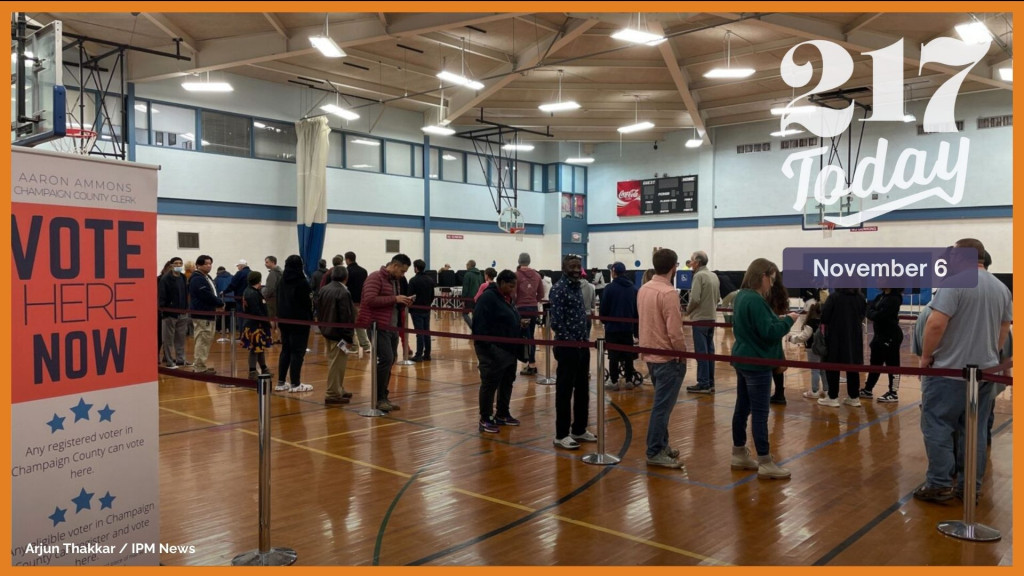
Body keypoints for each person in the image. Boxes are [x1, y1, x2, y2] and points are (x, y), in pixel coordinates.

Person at [915, 238, 1011, 504]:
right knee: (975, 431)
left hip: (949, 372)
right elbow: (1004, 328)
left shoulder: (954, 283)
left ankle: (939, 484)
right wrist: (991, 353)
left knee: (937, 425)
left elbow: (935, 324)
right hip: (984, 373)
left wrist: (925, 357)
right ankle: (970, 487)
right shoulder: (1001, 288)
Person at [730, 258, 797, 479]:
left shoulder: (742, 296)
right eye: (772, 278)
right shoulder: (756, 300)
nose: (773, 283)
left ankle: (739, 452)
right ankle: (765, 461)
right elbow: (768, 332)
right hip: (757, 362)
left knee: (742, 407)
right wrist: (788, 321)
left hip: (743, 359)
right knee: (759, 413)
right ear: (763, 276)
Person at [637, 249, 687, 469]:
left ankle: (662, 444)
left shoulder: (644, 289)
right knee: (662, 407)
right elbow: (675, 331)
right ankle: (655, 450)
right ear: (674, 267)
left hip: (650, 355)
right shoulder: (669, 293)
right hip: (667, 358)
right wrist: (682, 354)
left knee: (662, 405)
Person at [549, 254, 594, 450]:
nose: (576, 269)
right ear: (564, 268)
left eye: (579, 266)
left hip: (582, 345)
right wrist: (571, 343)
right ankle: (561, 434)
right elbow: (557, 322)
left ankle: (579, 429)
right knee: (564, 391)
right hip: (567, 348)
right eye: (572, 266)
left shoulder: (578, 287)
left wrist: (583, 342)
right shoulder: (558, 290)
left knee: (582, 389)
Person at [360, 254, 414, 412]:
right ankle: (379, 398)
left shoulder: (394, 281)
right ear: (395, 266)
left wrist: (403, 302)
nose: (403, 274)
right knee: (386, 359)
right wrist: (395, 299)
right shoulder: (375, 278)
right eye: (402, 271)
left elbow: (392, 301)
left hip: (391, 327)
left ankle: (384, 396)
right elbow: (369, 300)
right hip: (378, 326)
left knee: (390, 360)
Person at [473, 270, 525, 432]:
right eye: (510, 286)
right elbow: (479, 326)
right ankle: (485, 417)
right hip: (492, 349)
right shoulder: (488, 298)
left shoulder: (506, 298)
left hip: (509, 349)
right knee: (490, 384)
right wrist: (490, 348)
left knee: (507, 382)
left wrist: (518, 323)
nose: (513, 289)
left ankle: (502, 413)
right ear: (501, 283)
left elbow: (504, 318)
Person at [817, 288, 866, 408]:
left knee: (833, 365)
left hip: (836, 337)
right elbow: (863, 314)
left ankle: (833, 397)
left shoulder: (834, 297)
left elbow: (825, 316)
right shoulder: (860, 297)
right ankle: (854, 397)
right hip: (854, 337)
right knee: (853, 365)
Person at [274, 255, 314, 393]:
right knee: (297, 351)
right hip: (299, 321)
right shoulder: (302, 282)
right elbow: (308, 303)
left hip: (284, 320)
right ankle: (295, 383)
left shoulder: (281, 281)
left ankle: (281, 382)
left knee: (286, 349)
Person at [318, 266, 356, 405]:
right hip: (338, 334)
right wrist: (348, 336)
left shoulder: (324, 289)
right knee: (336, 363)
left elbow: (319, 309)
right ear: (346, 277)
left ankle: (338, 388)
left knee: (337, 362)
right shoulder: (343, 292)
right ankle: (332, 393)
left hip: (327, 331)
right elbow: (346, 316)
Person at [859, 287, 905, 403]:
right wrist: (872, 311)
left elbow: (878, 316)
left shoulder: (895, 298)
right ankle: (868, 389)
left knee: (892, 364)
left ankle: (893, 392)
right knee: (875, 363)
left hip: (891, 336)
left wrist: (873, 312)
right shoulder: (880, 297)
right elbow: (869, 310)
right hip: (879, 336)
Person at [685, 251, 720, 394]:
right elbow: (718, 298)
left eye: (692, 260)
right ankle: (710, 382)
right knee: (709, 352)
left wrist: (687, 311)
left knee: (701, 352)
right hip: (712, 318)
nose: (690, 263)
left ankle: (703, 383)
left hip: (700, 319)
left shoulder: (698, 276)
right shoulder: (713, 275)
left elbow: (695, 299)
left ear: (698, 262)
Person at [600, 262, 639, 390]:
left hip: (612, 328)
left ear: (613, 272)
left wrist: (605, 321)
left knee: (613, 355)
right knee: (628, 355)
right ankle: (629, 380)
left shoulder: (609, 288)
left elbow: (604, 309)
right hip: (628, 328)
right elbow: (636, 310)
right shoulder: (633, 288)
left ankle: (614, 381)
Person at [188, 255, 224, 374]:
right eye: (206, 264)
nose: (209, 266)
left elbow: (213, 292)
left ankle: (201, 364)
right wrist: (219, 303)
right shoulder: (197, 278)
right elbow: (206, 295)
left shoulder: (206, 277)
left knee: (206, 340)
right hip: (202, 314)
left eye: (210, 263)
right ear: (199, 265)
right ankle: (199, 366)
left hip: (209, 312)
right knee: (202, 339)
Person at [788, 298, 825, 399]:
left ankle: (814, 391)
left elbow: (804, 336)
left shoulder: (811, 323)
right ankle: (826, 390)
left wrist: (792, 339)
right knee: (823, 369)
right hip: (823, 348)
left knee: (815, 370)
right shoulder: (824, 321)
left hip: (812, 349)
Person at [239, 271, 273, 380]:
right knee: (254, 349)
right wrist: (266, 322)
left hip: (256, 324)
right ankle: (252, 371)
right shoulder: (252, 293)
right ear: (259, 279)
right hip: (254, 325)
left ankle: (264, 368)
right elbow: (256, 311)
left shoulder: (250, 291)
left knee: (260, 348)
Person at [515, 252, 545, 376]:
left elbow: (513, 293)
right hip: (533, 308)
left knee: (520, 335)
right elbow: (541, 294)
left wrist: (517, 303)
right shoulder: (537, 276)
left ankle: (526, 360)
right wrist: (533, 301)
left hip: (520, 308)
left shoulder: (516, 275)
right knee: (530, 335)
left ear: (519, 261)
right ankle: (531, 362)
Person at [159, 257, 189, 368]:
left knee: (180, 338)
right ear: (171, 265)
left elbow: (185, 294)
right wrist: (165, 309)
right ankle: (169, 360)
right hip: (169, 314)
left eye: (180, 263)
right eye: (176, 263)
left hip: (182, 313)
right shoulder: (165, 279)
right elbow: (162, 296)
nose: (178, 265)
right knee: (168, 339)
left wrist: (186, 308)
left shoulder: (183, 277)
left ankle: (181, 359)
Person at [408, 259, 436, 362]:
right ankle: (427, 354)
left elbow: (410, 296)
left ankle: (418, 355)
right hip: (427, 309)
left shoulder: (413, 280)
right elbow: (432, 295)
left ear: (415, 268)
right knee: (426, 332)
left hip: (416, 309)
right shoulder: (430, 280)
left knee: (419, 333)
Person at [345, 252, 372, 354]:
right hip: (361, 301)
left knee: (350, 324)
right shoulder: (363, 271)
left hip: (350, 302)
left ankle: (353, 346)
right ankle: (365, 346)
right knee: (359, 323)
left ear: (347, 259)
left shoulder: (347, 271)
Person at [263, 255, 283, 339]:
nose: (265, 264)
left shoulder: (273, 273)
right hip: (280, 298)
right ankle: (279, 337)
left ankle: (270, 337)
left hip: (272, 299)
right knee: (278, 319)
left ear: (272, 262)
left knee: (271, 318)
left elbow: (270, 288)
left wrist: (264, 295)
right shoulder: (281, 272)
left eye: (267, 262)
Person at [460, 260, 484, 329]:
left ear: (469, 265)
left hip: (469, 298)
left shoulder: (468, 274)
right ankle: (476, 329)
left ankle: (473, 329)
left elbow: (465, 288)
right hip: (478, 298)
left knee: (465, 314)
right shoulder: (479, 274)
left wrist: (463, 299)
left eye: (467, 264)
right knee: (475, 315)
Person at [214, 265, 234, 335]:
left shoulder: (217, 278)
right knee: (230, 315)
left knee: (221, 315)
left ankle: (221, 329)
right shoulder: (232, 277)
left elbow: (215, 290)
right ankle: (229, 328)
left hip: (222, 299)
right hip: (233, 299)